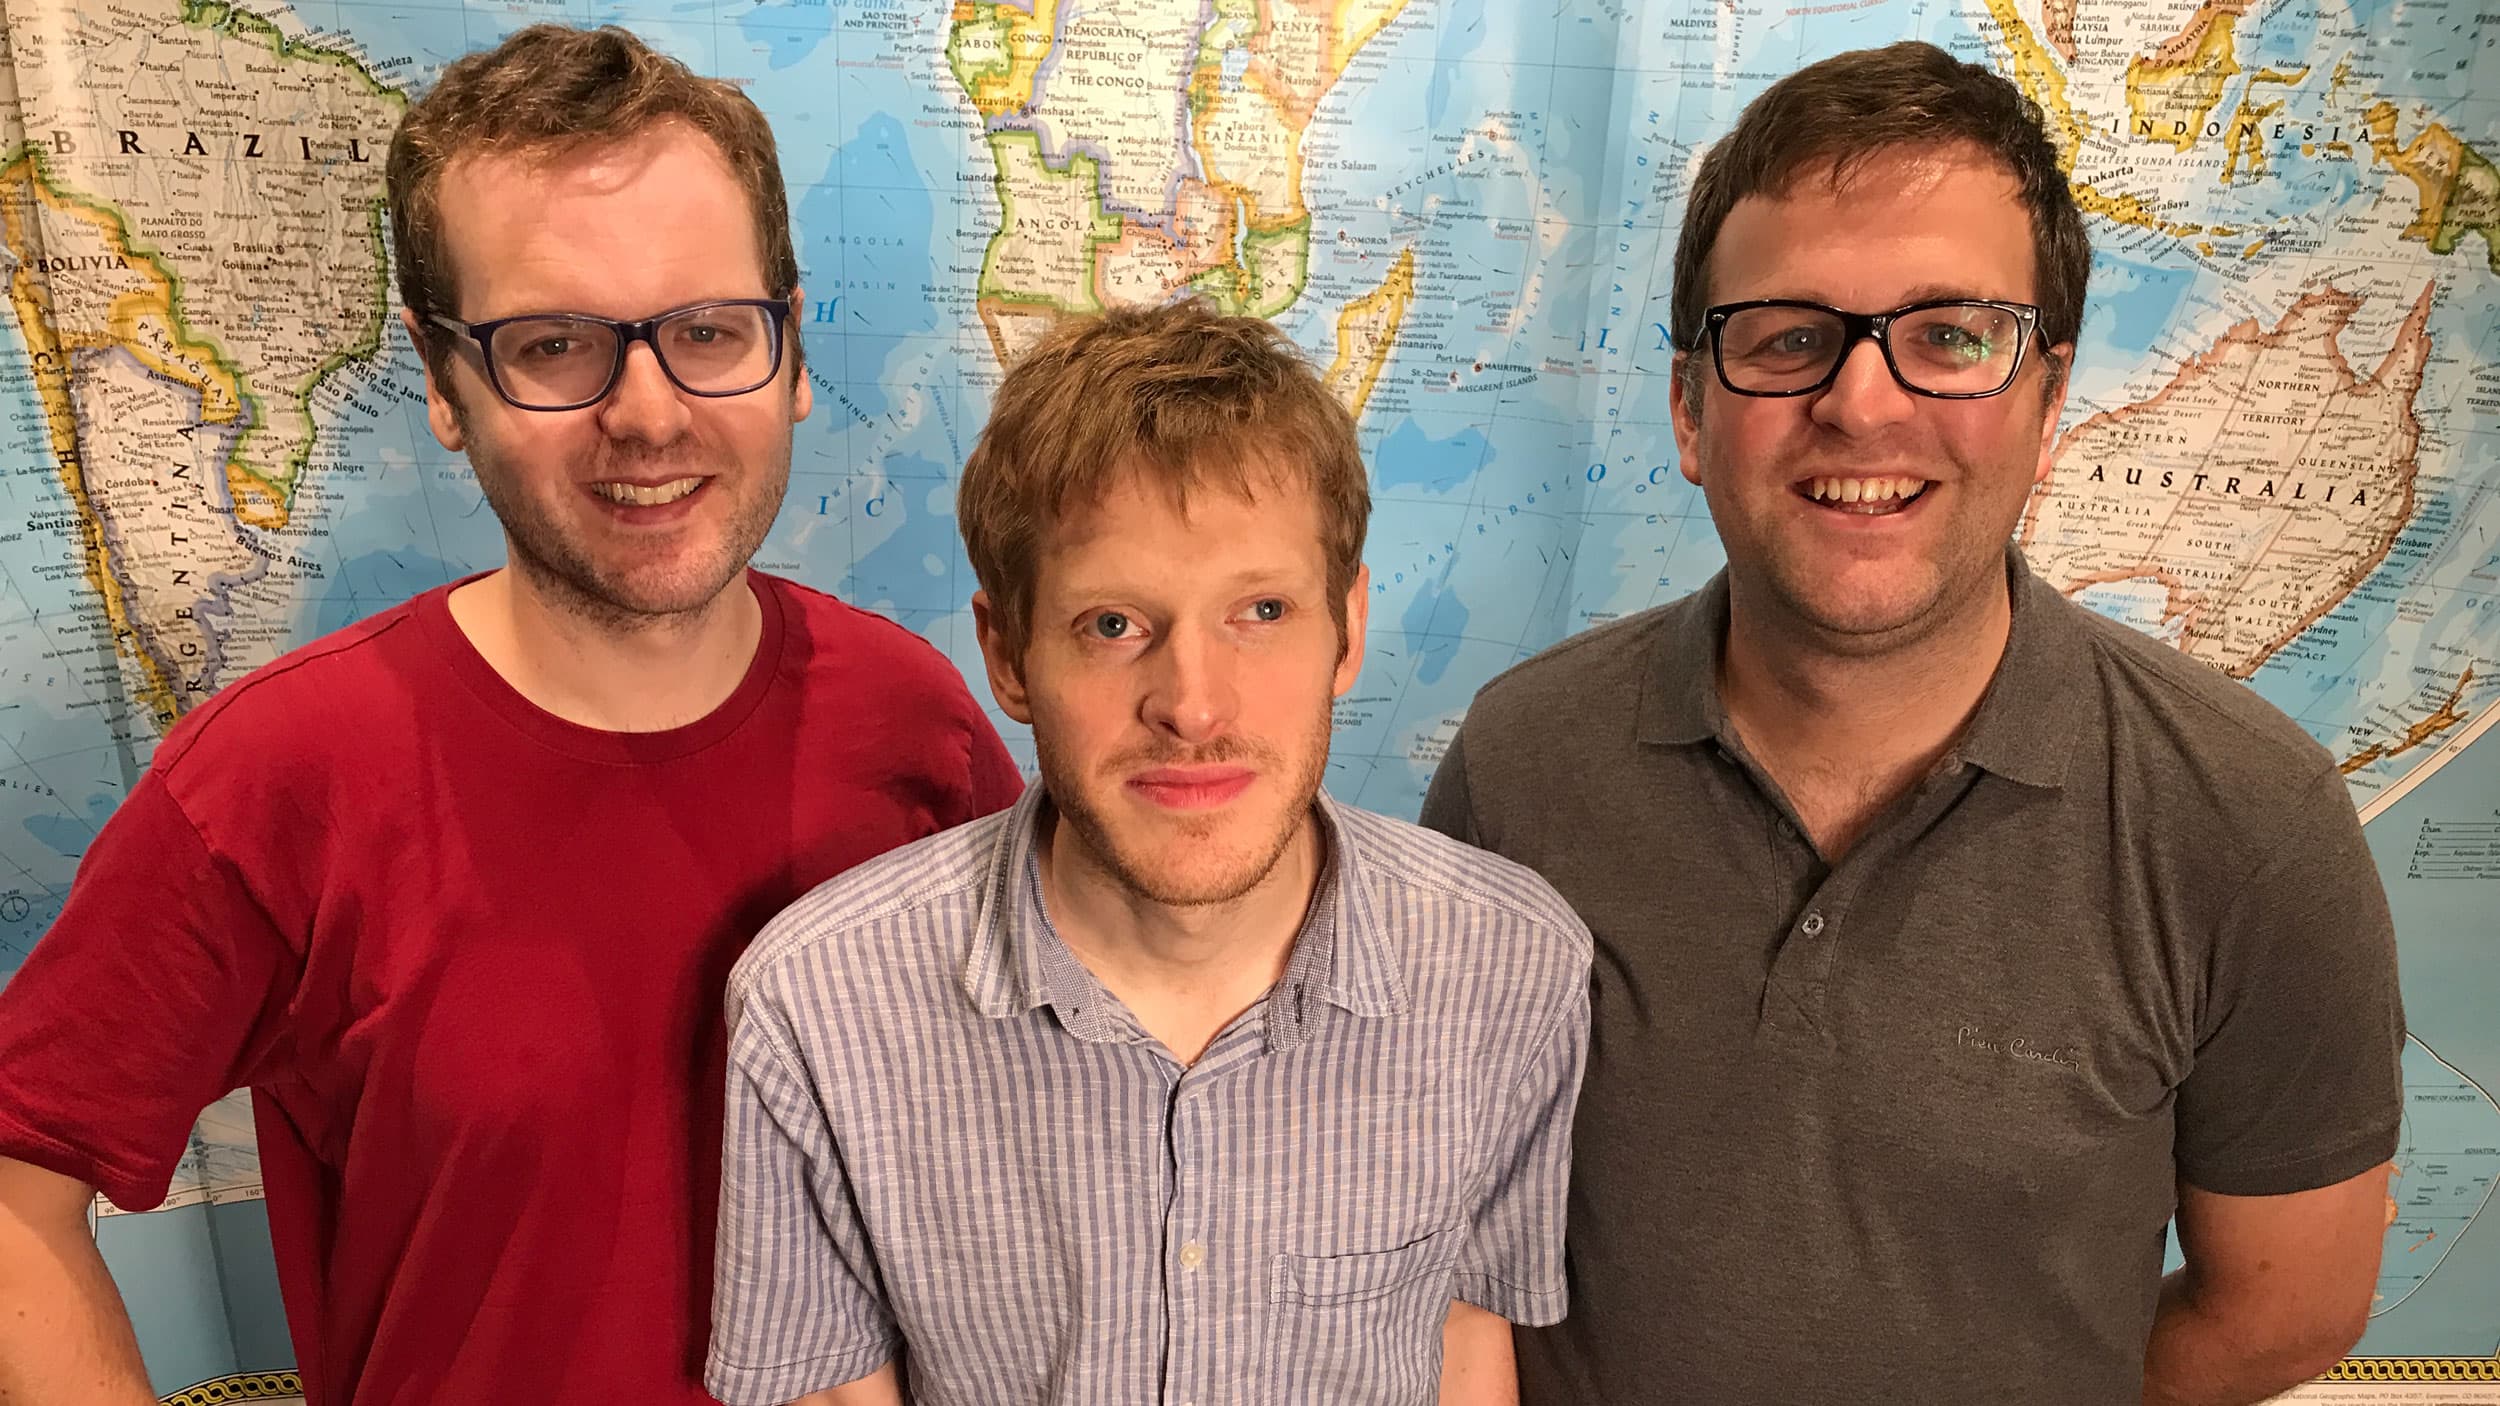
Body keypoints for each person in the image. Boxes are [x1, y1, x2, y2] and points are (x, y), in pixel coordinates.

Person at [0, 24, 1021, 1405]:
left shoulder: (914, 727)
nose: (648, 413)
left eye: (709, 331)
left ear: (786, 347)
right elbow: (16, 1195)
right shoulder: (279, 779)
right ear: (439, 375)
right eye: (553, 345)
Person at [1422, 40, 2403, 1406]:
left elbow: (2286, 1307)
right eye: (1787, 337)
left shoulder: (2248, 825)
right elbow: (1456, 1245)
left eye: (1951, 336)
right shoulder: (1522, 765)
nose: (1861, 402)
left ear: (2049, 405)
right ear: (1690, 409)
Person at [704, 301, 1591, 1406]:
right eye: (1113, 624)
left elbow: (1465, 1337)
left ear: (1348, 631)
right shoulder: (819, 1006)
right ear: (1007, 654)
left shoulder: (1514, 966)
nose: (1191, 703)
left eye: (1260, 609)